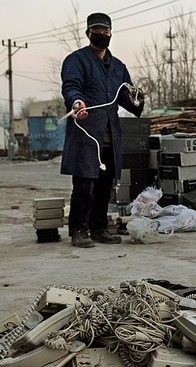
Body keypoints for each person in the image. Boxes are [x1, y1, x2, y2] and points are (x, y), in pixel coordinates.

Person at [60, 12, 144, 248]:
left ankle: (98, 229)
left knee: (106, 185)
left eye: (106, 31)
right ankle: (78, 230)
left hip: (110, 134)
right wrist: (77, 103)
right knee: (85, 185)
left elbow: (127, 100)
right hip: (86, 132)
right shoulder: (76, 61)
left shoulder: (118, 67)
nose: (102, 35)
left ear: (111, 34)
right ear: (88, 33)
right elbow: (71, 87)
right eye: (97, 31)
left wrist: (138, 98)